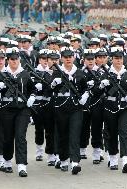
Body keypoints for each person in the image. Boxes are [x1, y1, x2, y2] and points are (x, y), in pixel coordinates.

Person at [0, 47, 36, 177]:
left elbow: (33, 89)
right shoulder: (1, 74)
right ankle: (7, 161)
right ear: (7, 60)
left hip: (22, 109)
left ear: (19, 59)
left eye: (16, 59)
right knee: (8, 136)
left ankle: (22, 165)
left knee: (20, 136)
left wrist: (32, 97)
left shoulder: (25, 74)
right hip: (7, 109)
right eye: (11, 59)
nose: (14, 61)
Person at [96, 47, 127, 173]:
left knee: (124, 132)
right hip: (110, 107)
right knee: (111, 133)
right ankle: (113, 158)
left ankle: (125, 160)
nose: (118, 61)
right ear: (111, 60)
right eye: (116, 58)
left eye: (120, 58)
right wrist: (101, 85)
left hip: (125, 108)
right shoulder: (105, 73)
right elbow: (96, 92)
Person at [51, 46, 88, 175]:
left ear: (73, 57)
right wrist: (54, 84)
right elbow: (50, 90)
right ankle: (64, 159)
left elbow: (86, 88)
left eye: (70, 57)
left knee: (74, 134)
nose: (68, 59)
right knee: (62, 134)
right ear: (61, 58)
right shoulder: (56, 72)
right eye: (65, 57)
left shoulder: (79, 72)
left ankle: (75, 162)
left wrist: (85, 96)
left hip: (76, 107)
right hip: (61, 107)